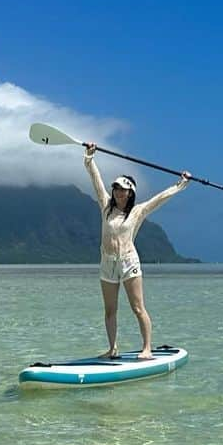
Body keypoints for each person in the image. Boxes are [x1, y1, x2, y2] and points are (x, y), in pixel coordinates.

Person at [83, 143, 190, 359]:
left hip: (129, 262)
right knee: (110, 310)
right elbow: (96, 181)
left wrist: (180, 184)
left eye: (122, 189)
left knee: (138, 308)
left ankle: (147, 348)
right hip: (107, 263)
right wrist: (89, 158)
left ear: (130, 192)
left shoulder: (137, 211)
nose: (118, 192)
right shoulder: (106, 207)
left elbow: (159, 199)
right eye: (116, 188)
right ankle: (112, 348)